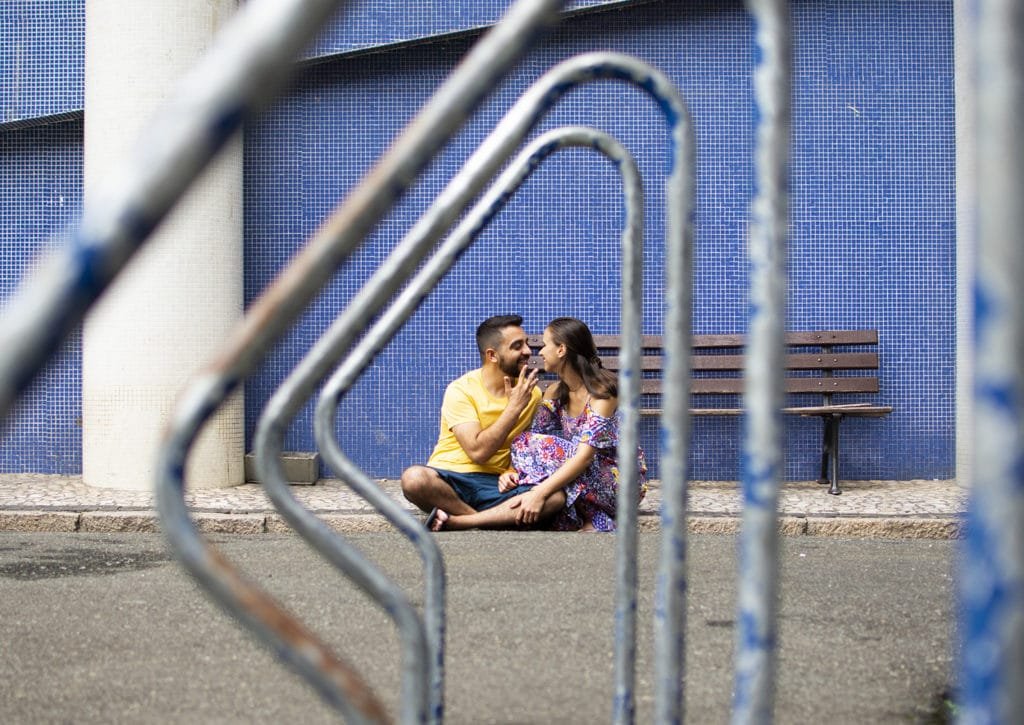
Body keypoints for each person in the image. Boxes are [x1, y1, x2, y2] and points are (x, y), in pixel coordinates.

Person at [431, 316, 647, 532]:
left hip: (615, 479)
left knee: (547, 454)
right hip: (581, 478)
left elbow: (584, 456)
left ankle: (464, 521)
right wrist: (511, 470)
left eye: (544, 345)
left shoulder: (602, 392)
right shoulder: (554, 392)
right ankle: (592, 519)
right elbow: (530, 442)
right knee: (526, 441)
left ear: (561, 350)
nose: (538, 352)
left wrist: (538, 492)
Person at [400, 314, 567, 527]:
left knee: (556, 498)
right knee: (414, 479)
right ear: (492, 355)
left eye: (526, 343)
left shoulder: (531, 394)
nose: (527, 351)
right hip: (451, 481)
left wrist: (510, 472)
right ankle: (484, 521)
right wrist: (513, 407)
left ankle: (460, 522)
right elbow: (478, 452)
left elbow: (525, 447)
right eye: (517, 346)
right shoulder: (461, 390)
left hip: (496, 486)